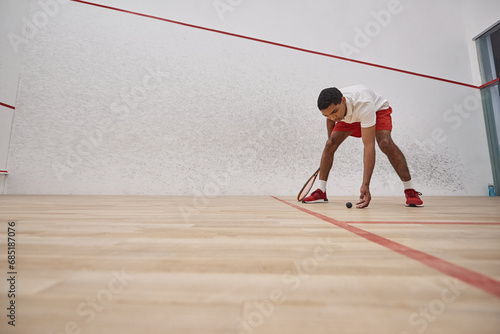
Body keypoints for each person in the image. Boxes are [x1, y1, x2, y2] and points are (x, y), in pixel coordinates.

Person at [302, 85, 423, 208]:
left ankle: (410, 191)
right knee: (330, 143)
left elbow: (369, 146)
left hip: (376, 110)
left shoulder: (364, 103)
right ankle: (321, 191)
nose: (333, 117)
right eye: (326, 115)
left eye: (334, 112)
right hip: (349, 116)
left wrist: (365, 185)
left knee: (385, 143)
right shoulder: (333, 110)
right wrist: (331, 146)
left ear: (343, 100)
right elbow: (331, 119)